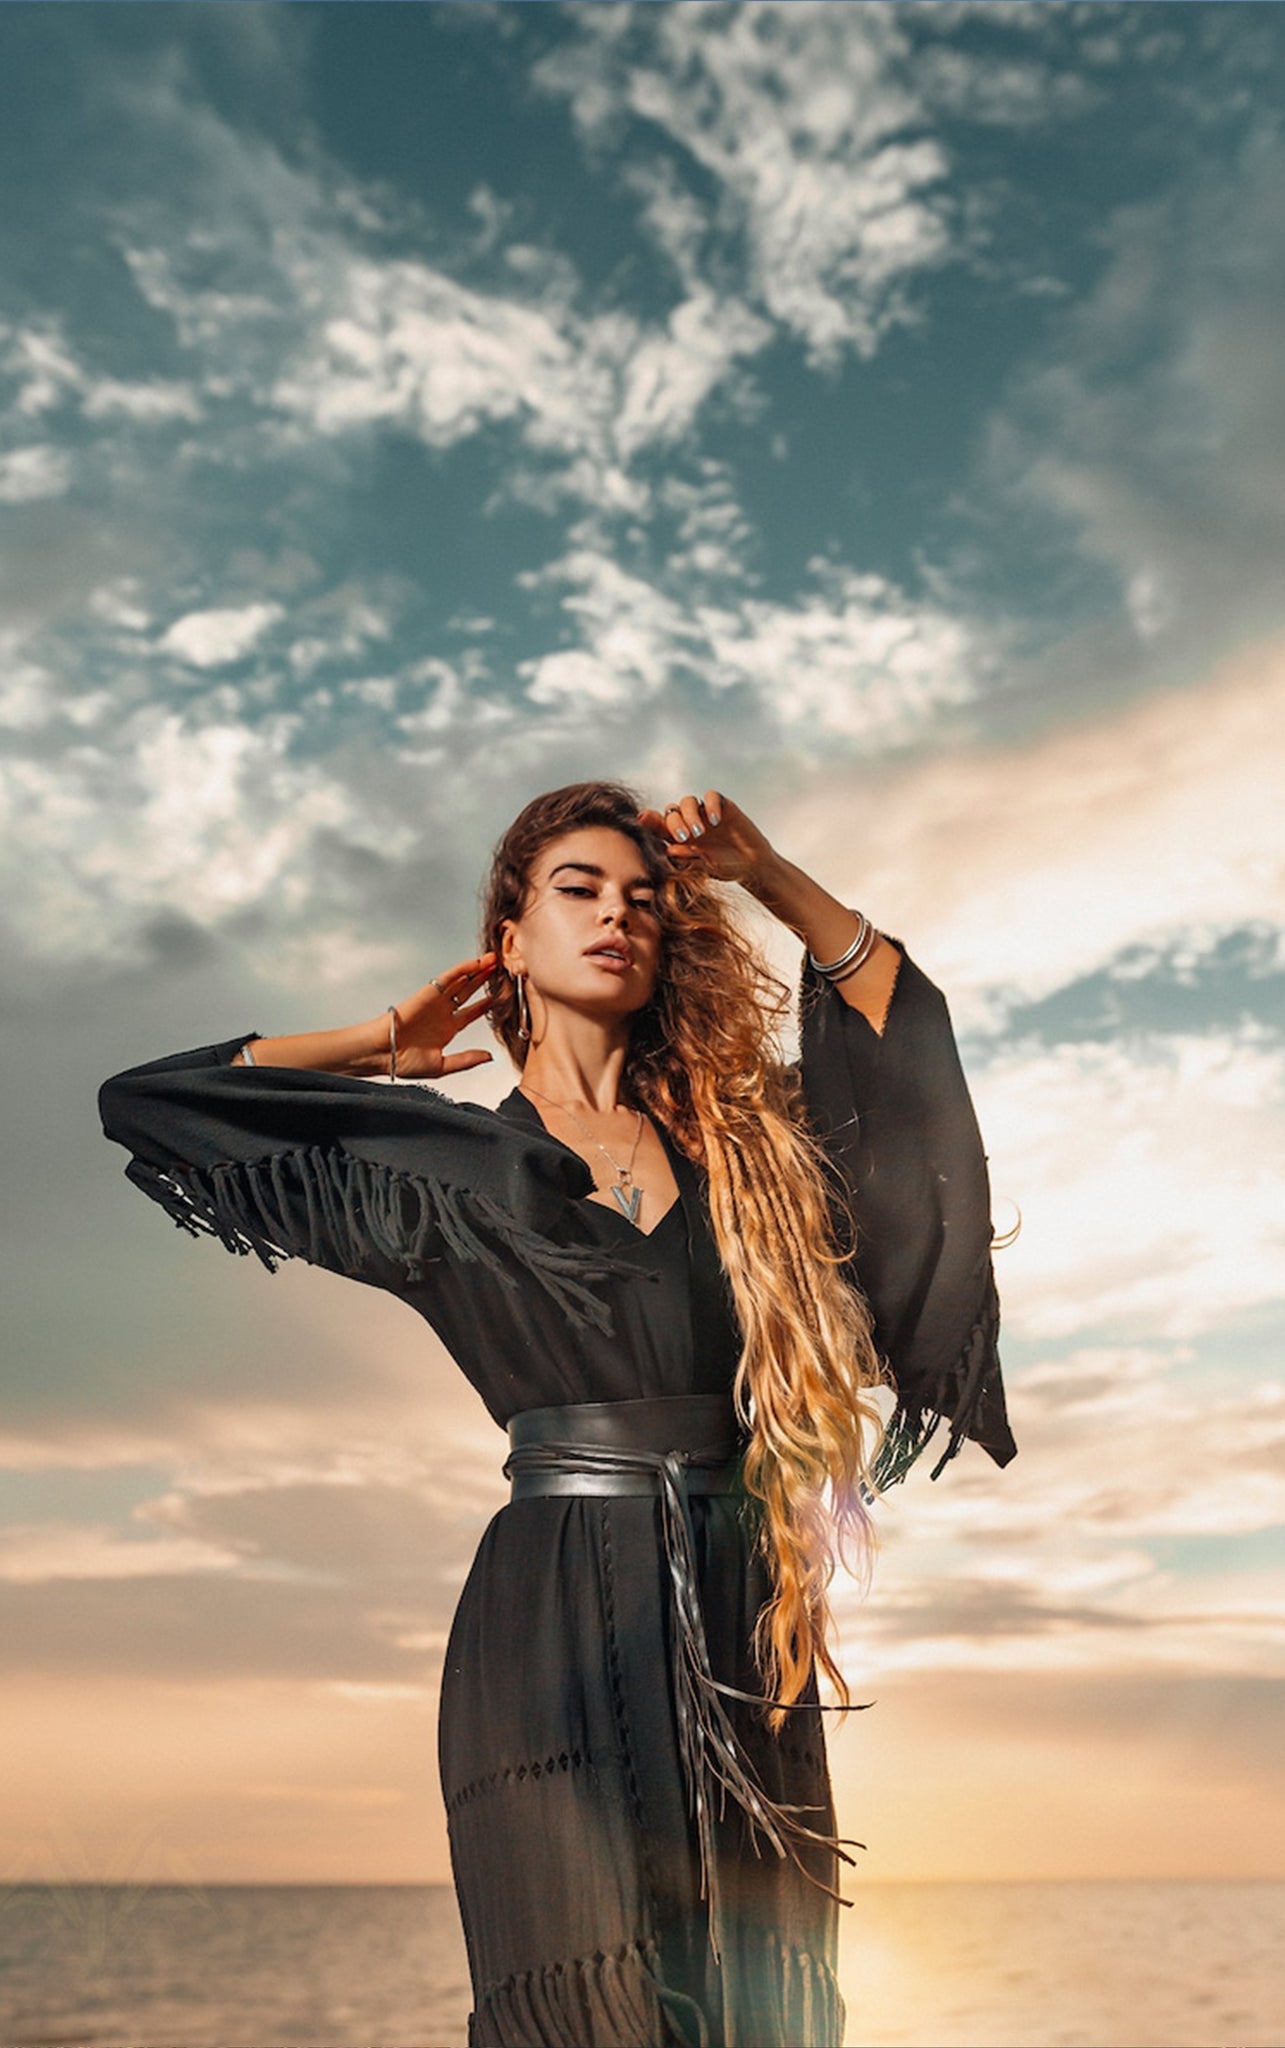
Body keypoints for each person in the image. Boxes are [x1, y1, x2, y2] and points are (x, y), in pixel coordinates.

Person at [98, 780, 1015, 2048]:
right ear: (509, 937)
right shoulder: (438, 1166)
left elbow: (899, 1037)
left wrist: (763, 869)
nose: (616, 915)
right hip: (550, 1610)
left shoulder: (750, 1155)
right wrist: (377, 1041)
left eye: (643, 897)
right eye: (576, 890)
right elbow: (150, 1102)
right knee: (581, 1989)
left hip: (743, 1590)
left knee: (763, 1986)